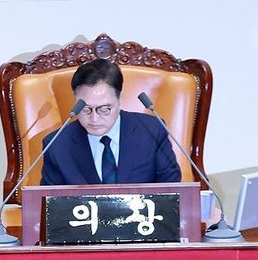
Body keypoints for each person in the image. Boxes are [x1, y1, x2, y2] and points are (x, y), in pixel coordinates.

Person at [40, 58, 182, 186]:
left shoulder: (152, 131)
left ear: (119, 101)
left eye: (104, 109)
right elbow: (49, 204)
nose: (94, 119)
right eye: (85, 109)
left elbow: (171, 189)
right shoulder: (56, 144)